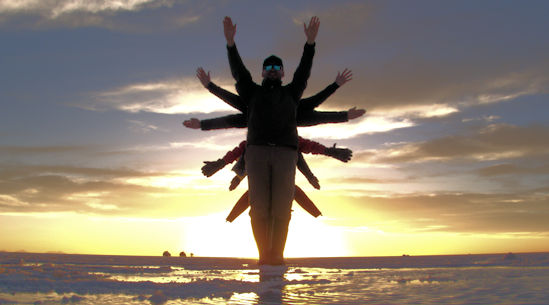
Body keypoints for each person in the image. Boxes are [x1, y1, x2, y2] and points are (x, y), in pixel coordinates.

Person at [221, 15, 318, 265]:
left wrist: (310, 44)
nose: (273, 71)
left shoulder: (291, 92)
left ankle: (278, 254)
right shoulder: (252, 91)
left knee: (282, 209)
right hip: (257, 152)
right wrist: (231, 44)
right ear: (263, 71)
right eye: (269, 68)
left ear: (282, 72)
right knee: (260, 207)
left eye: (277, 68)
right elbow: (239, 74)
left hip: (286, 153)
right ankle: (264, 254)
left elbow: (303, 74)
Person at [183, 67, 365, 130]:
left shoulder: (290, 106)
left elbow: (315, 107)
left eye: (276, 68)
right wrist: (210, 87)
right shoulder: (254, 107)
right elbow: (231, 112)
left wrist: (344, 115)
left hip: (284, 152)